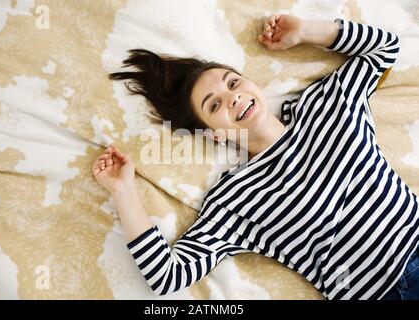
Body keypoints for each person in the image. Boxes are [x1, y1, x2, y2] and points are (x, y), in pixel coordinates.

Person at [92, 14, 419, 300]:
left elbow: (385, 48)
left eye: (233, 82)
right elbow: (167, 277)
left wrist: (305, 31)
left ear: (252, 84)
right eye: (215, 105)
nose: (233, 98)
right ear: (213, 134)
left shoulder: (327, 103)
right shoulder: (234, 200)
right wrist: (124, 192)